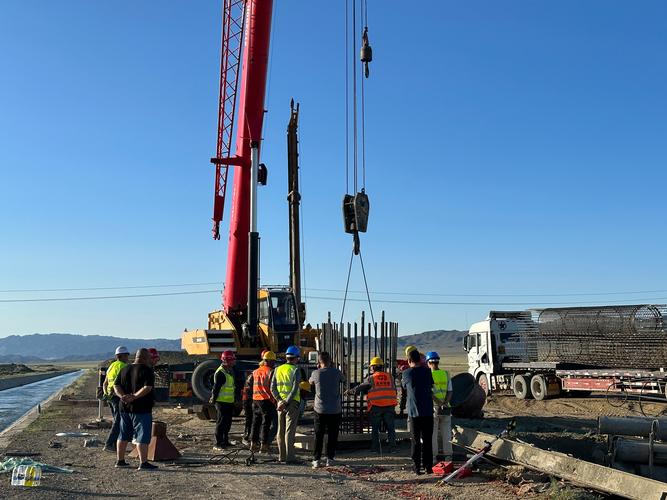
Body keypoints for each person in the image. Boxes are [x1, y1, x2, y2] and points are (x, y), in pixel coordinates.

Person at [113, 348, 157, 470]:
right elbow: (147, 387)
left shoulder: (124, 369)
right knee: (142, 436)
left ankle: (120, 461)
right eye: (148, 358)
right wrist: (134, 397)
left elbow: (116, 386)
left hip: (124, 408)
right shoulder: (147, 370)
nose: (149, 360)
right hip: (141, 408)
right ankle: (143, 463)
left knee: (123, 435)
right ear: (144, 357)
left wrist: (122, 396)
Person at [347, 356, 397, 454]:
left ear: (373, 367)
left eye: (371, 367)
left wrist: (350, 391)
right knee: (391, 428)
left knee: (375, 429)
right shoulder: (390, 377)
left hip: (376, 406)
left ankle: (375, 449)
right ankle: (393, 448)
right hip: (390, 405)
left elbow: (360, 387)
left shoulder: (371, 378)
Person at [309, 351, 345, 468]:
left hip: (320, 409)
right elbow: (343, 380)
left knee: (318, 435)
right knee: (333, 435)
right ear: (330, 361)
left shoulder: (316, 373)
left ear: (319, 362)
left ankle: (316, 459)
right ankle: (330, 458)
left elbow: (310, 382)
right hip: (335, 409)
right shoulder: (337, 372)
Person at [402, 349, 434, 475]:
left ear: (409, 361)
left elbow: (404, 387)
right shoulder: (427, 372)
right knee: (427, 440)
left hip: (414, 412)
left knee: (415, 440)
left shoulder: (406, 373)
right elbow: (430, 385)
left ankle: (416, 467)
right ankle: (428, 467)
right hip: (427, 411)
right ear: (420, 360)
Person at [270, 345, 302, 464]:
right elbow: (294, 389)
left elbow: (272, 387)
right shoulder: (295, 370)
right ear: (296, 357)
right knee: (289, 431)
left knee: (280, 430)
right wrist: (286, 402)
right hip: (291, 403)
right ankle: (290, 458)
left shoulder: (277, 369)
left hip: (280, 404)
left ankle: (281, 456)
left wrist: (279, 400)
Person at [425, 351, 453, 460]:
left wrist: (438, 403)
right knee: (446, 432)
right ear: (438, 362)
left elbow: (429, 392)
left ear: (428, 362)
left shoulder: (428, 375)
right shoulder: (446, 374)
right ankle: (448, 457)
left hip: (434, 407)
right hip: (446, 408)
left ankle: (433, 457)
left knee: (433, 434)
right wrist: (445, 402)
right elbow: (450, 391)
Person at [102, 346, 130, 452]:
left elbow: (105, 383)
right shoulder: (124, 366)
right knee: (118, 421)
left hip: (110, 397)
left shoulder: (111, 366)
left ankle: (114, 444)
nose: (127, 357)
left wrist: (106, 394)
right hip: (117, 397)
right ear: (121, 356)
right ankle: (109, 444)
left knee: (117, 421)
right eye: (126, 355)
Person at [251, 350, 277, 453]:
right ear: (270, 361)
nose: (274, 363)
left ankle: (253, 444)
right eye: (273, 361)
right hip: (266, 400)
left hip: (255, 399)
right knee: (266, 423)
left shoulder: (256, 371)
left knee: (256, 422)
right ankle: (264, 445)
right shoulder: (270, 371)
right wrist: (274, 400)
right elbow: (270, 387)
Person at [209, 350, 236, 450]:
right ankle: (218, 443)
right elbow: (216, 388)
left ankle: (225, 441)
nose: (234, 362)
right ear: (227, 361)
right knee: (221, 422)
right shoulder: (220, 372)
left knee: (227, 422)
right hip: (221, 402)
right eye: (232, 360)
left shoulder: (228, 371)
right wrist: (213, 399)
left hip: (229, 402)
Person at [241, 371, 254, 447]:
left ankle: (248, 436)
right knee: (249, 419)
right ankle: (247, 437)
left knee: (250, 419)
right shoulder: (251, 378)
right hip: (248, 401)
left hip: (248, 400)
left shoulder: (250, 377)